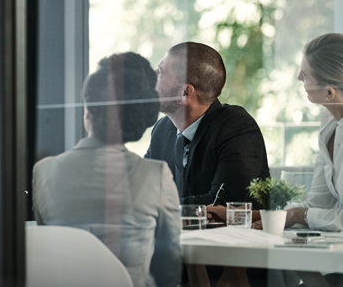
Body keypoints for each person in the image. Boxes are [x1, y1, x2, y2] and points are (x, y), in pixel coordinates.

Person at [33, 52, 181, 287]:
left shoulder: (44, 172)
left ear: (87, 112)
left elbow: (48, 250)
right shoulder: (156, 176)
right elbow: (170, 266)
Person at [208, 33, 343, 232]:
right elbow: (318, 203)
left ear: (329, 92)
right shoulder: (330, 123)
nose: (298, 78)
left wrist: (297, 215)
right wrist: (239, 215)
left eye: (304, 76)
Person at [144, 42, 270, 207]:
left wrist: (152, 206)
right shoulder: (162, 129)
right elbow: (142, 189)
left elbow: (220, 204)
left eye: (160, 72)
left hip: (232, 233)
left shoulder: (237, 128)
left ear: (185, 92)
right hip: (177, 232)